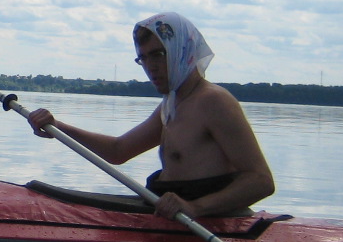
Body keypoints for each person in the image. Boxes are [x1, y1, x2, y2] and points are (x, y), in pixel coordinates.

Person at [25, 13, 274, 220]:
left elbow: (261, 180)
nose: (149, 67)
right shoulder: (173, 103)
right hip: (168, 212)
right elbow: (118, 151)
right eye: (142, 58)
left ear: (181, 50)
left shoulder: (214, 101)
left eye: (158, 54)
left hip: (207, 223)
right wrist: (57, 126)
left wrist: (196, 209)